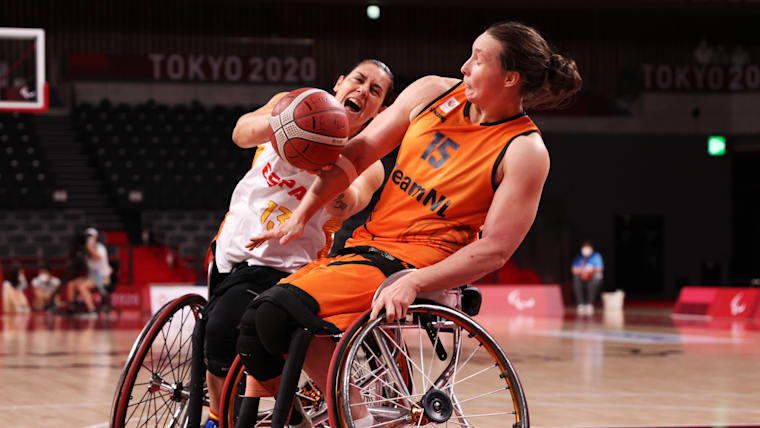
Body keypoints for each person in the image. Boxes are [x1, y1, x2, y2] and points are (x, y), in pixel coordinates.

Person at [240, 21, 582, 427]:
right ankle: (320, 415)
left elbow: (496, 249)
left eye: (478, 60)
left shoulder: (524, 151)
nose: (464, 67)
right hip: (367, 246)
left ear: (510, 78)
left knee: (273, 314)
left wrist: (416, 281)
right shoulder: (432, 92)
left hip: (419, 261)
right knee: (258, 326)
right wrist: (302, 215)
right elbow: (357, 154)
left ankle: (356, 418)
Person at [201, 59, 394, 428]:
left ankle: (229, 419)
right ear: (339, 83)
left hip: (289, 266)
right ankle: (245, 413)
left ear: (380, 111)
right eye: (358, 80)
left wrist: (327, 162)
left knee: (224, 328)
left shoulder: (368, 160)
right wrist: (287, 123)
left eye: (375, 91)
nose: (362, 91)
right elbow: (241, 133)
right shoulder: (290, 103)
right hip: (233, 245)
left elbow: (348, 203)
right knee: (216, 336)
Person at [67, 228, 112, 313]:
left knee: (82, 286)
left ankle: (91, 310)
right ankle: (72, 308)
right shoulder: (86, 250)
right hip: (92, 277)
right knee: (71, 284)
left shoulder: (100, 247)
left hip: (103, 278)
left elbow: (97, 257)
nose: (90, 239)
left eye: (91, 237)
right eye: (88, 237)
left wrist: (89, 246)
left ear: (96, 237)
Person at [571, 240, 604, 315]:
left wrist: (591, 269)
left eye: (587, 248)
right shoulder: (579, 257)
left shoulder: (596, 256)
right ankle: (580, 303)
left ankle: (589, 303)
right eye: (584, 248)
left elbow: (600, 269)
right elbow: (573, 269)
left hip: (593, 277)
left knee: (595, 280)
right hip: (582, 276)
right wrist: (583, 270)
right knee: (575, 279)